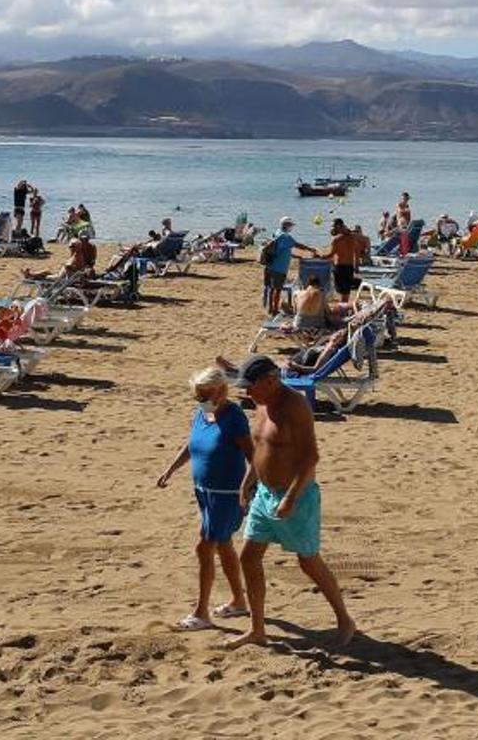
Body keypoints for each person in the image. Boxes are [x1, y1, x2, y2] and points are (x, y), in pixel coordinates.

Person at [222, 355, 355, 650]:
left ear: (271, 381)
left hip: (297, 495)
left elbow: (311, 457)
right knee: (249, 557)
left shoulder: (295, 406)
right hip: (265, 494)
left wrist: (291, 498)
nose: (247, 393)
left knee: (308, 562)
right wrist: (248, 481)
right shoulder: (261, 403)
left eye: (251, 387)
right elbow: (260, 447)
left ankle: (345, 619)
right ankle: (257, 629)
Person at [156, 367, 251, 631]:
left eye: (205, 396)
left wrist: (250, 489)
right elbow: (192, 444)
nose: (201, 401)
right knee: (223, 545)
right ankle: (239, 601)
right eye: (198, 397)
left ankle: (201, 613)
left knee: (204, 547)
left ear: (220, 391)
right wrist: (171, 469)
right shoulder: (205, 412)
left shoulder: (234, 417)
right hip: (204, 491)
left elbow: (252, 456)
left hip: (227, 495)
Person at [262, 216, 316, 316]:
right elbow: (297, 244)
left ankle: (270, 308)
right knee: (277, 290)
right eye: (290, 225)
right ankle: (274, 310)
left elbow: (283, 251)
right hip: (279, 268)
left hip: (270, 265)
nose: (291, 227)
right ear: (286, 225)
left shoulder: (276, 233)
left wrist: (297, 256)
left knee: (272, 289)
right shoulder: (286, 237)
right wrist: (310, 249)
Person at [319, 218, 361, 302]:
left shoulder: (337, 240)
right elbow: (357, 252)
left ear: (338, 226)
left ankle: (342, 309)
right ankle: (344, 309)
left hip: (340, 266)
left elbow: (330, 255)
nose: (332, 229)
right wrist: (356, 266)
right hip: (350, 266)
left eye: (333, 226)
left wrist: (320, 255)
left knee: (341, 291)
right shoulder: (353, 237)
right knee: (346, 292)